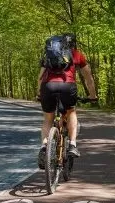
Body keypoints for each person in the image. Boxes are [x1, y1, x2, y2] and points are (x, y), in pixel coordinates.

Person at [37, 33, 97, 169]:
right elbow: (89, 79)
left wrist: (39, 93)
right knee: (71, 112)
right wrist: (92, 96)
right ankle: (72, 145)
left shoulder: (49, 56)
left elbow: (40, 77)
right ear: (73, 44)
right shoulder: (76, 55)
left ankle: (44, 147)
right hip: (67, 86)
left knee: (48, 119)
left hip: (47, 86)